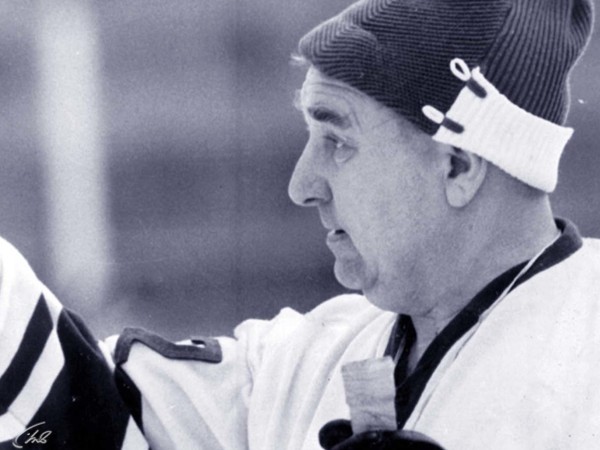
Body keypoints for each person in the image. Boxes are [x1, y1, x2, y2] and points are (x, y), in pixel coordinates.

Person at [0, 0, 597, 448]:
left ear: (458, 165)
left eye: (337, 139)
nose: (301, 185)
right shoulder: (305, 360)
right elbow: (73, 405)